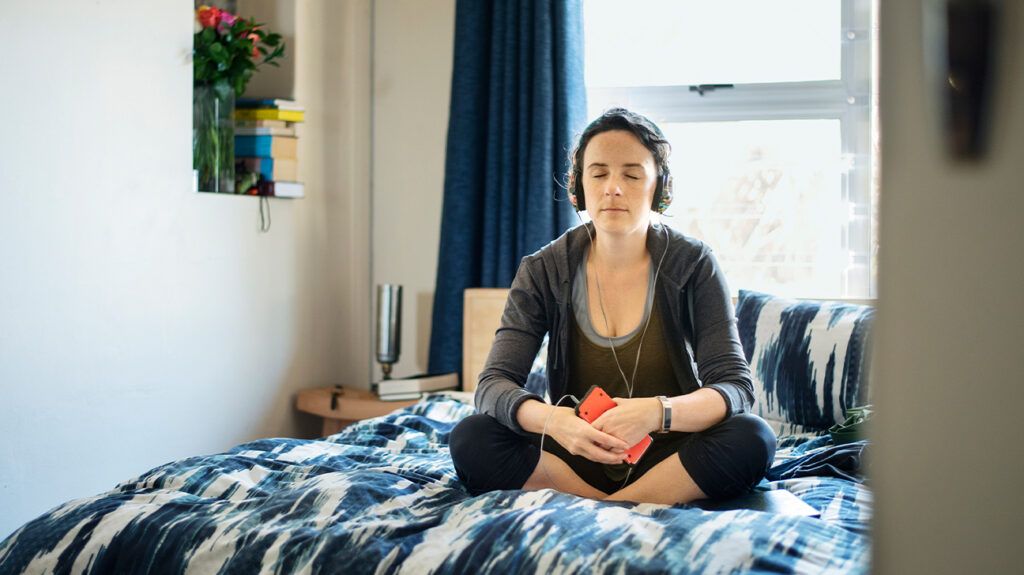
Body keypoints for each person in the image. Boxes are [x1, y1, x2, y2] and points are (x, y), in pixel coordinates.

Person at [449, 108, 777, 504]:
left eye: (632, 175)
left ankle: (609, 505)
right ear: (579, 187)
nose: (613, 188)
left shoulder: (694, 264)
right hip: (575, 450)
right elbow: (493, 385)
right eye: (599, 173)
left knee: (753, 436)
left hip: (670, 456)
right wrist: (557, 422)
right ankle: (616, 503)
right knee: (472, 436)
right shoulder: (542, 270)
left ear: (660, 188)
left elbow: (735, 387)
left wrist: (656, 413)